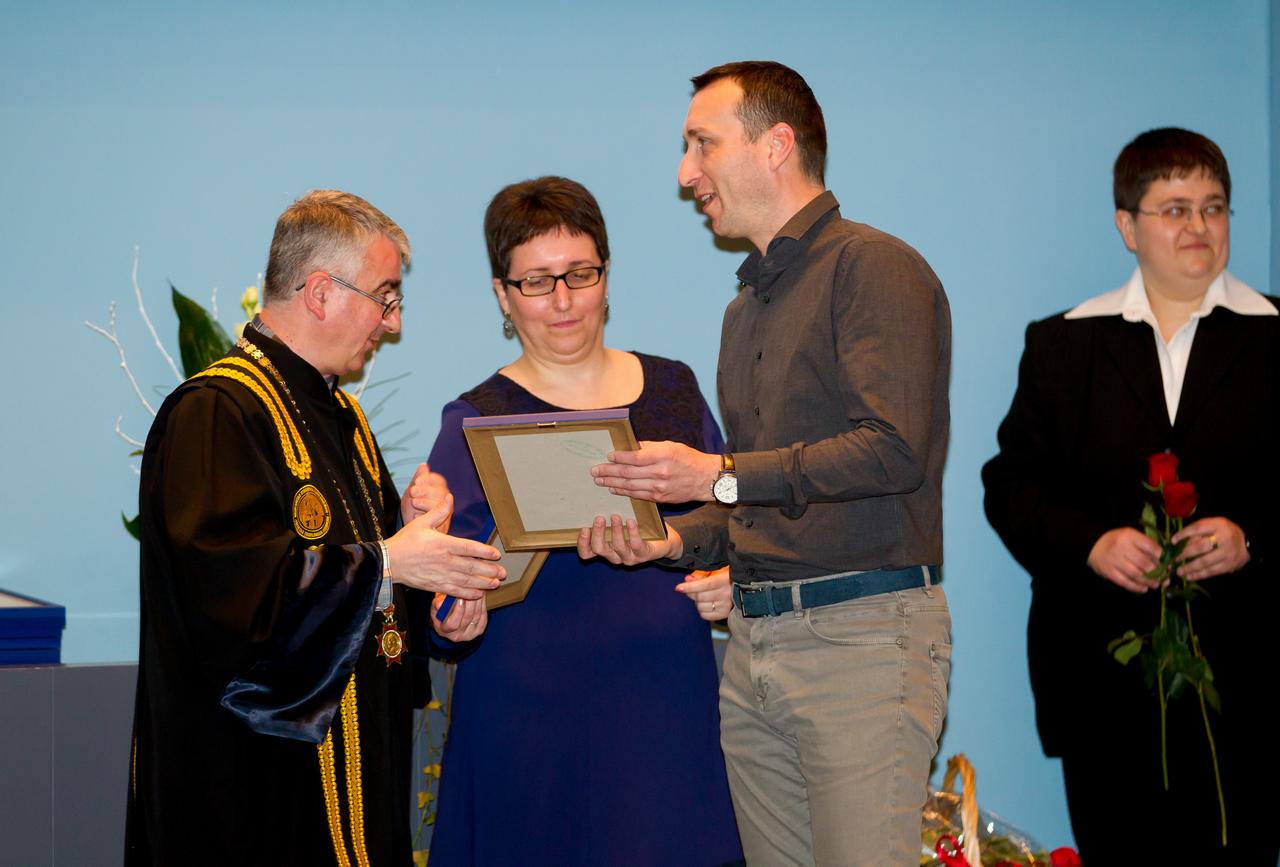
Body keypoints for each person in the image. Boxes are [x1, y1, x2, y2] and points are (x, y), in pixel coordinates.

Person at [581, 61, 952, 866]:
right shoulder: (742, 310)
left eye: (702, 144)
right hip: (753, 644)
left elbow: (892, 449)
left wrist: (714, 472)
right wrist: (672, 540)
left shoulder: (874, 266)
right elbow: (758, 497)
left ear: (776, 145)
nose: (686, 174)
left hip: (859, 640)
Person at [126, 190, 506, 866]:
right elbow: (234, 606)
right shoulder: (215, 413)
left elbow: (370, 598)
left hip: (361, 778)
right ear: (322, 292)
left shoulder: (345, 422)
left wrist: (436, 610)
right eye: (385, 298)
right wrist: (391, 560)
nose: (392, 322)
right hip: (255, 792)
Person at [423, 176, 742, 867]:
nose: (563, 300)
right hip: (529, 731)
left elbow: (732, 518)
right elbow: (438, 593)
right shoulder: (474, 420)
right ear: (503, 295)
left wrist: (731, 578)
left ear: (606, 274)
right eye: (537, 282)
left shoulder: (675, 388)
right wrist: (450, 614)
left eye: (579, 274)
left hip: (664, 716)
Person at [982, 128, 1279, 863]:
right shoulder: (1063, 344)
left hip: (1256, 685)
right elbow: (1010, 486)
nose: (1200, 225)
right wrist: (1092, 543)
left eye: (1214, 207)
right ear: (1127, 225)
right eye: (1175, 208)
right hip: (1101, 686)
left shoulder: (1279, 336)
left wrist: (1252, 537)